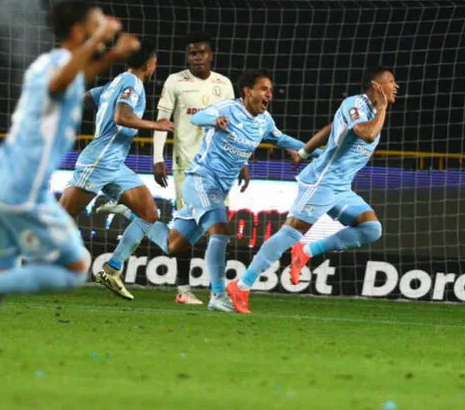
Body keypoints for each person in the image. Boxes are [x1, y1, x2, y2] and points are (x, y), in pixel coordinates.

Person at [0, 0, 137, 394]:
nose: (103, 29)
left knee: (0, 279)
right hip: (22, 192)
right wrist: (102, 44)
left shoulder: (57, 65)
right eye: (96, 24)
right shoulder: (57, 68)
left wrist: (111, 56)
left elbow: (73, 77)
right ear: (79, 32)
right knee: (76, 268)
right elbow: (62, 82)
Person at [106, 69, 319, 312]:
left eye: (270, 90)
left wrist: (317, 153)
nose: (269, 94)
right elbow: (197, 119)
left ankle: (132, 213)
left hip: (218, 188)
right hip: (200, 180)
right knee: (221, 229)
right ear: (248, 92)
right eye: (263, 88)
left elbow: (283, 140)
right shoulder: (228, 108)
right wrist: (213, 120)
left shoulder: (265, 120)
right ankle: (218, 295)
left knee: (173, 245)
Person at [226, 66, 399, 314]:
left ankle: (306, 251)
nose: (396, 86)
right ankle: (241, 285)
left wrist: (305, 151)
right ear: (376, 85)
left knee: (371, 228)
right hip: (322, 182)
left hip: (340, 187)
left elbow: (332, 127)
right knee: (290, 233)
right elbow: (367, 134)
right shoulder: (358, 105)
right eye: (391, 81)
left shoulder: (367, 111)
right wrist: (382, 108)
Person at [98, 31, 247, 305]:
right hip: (187, 168)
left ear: (211, 54)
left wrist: (243, 161)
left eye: (201, 52)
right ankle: (186, 289)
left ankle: (131, 213)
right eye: (191, 53)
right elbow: (162, 120)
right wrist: (157, 157)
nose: (196, 58)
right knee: (197, 230)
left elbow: (235, 126)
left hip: (220, 169)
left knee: (200, 231)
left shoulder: (224, 85)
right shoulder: (175, 82)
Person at [58, 39, 173, 301]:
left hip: (114, 164)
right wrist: (158, 125)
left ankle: (112, 269)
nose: (156, 64)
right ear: (148, 64)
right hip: (99, 160)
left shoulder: (118, 82)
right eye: (155, 60)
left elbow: (89, 98)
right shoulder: (132, 83)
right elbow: (122, 116)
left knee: (148, 212)